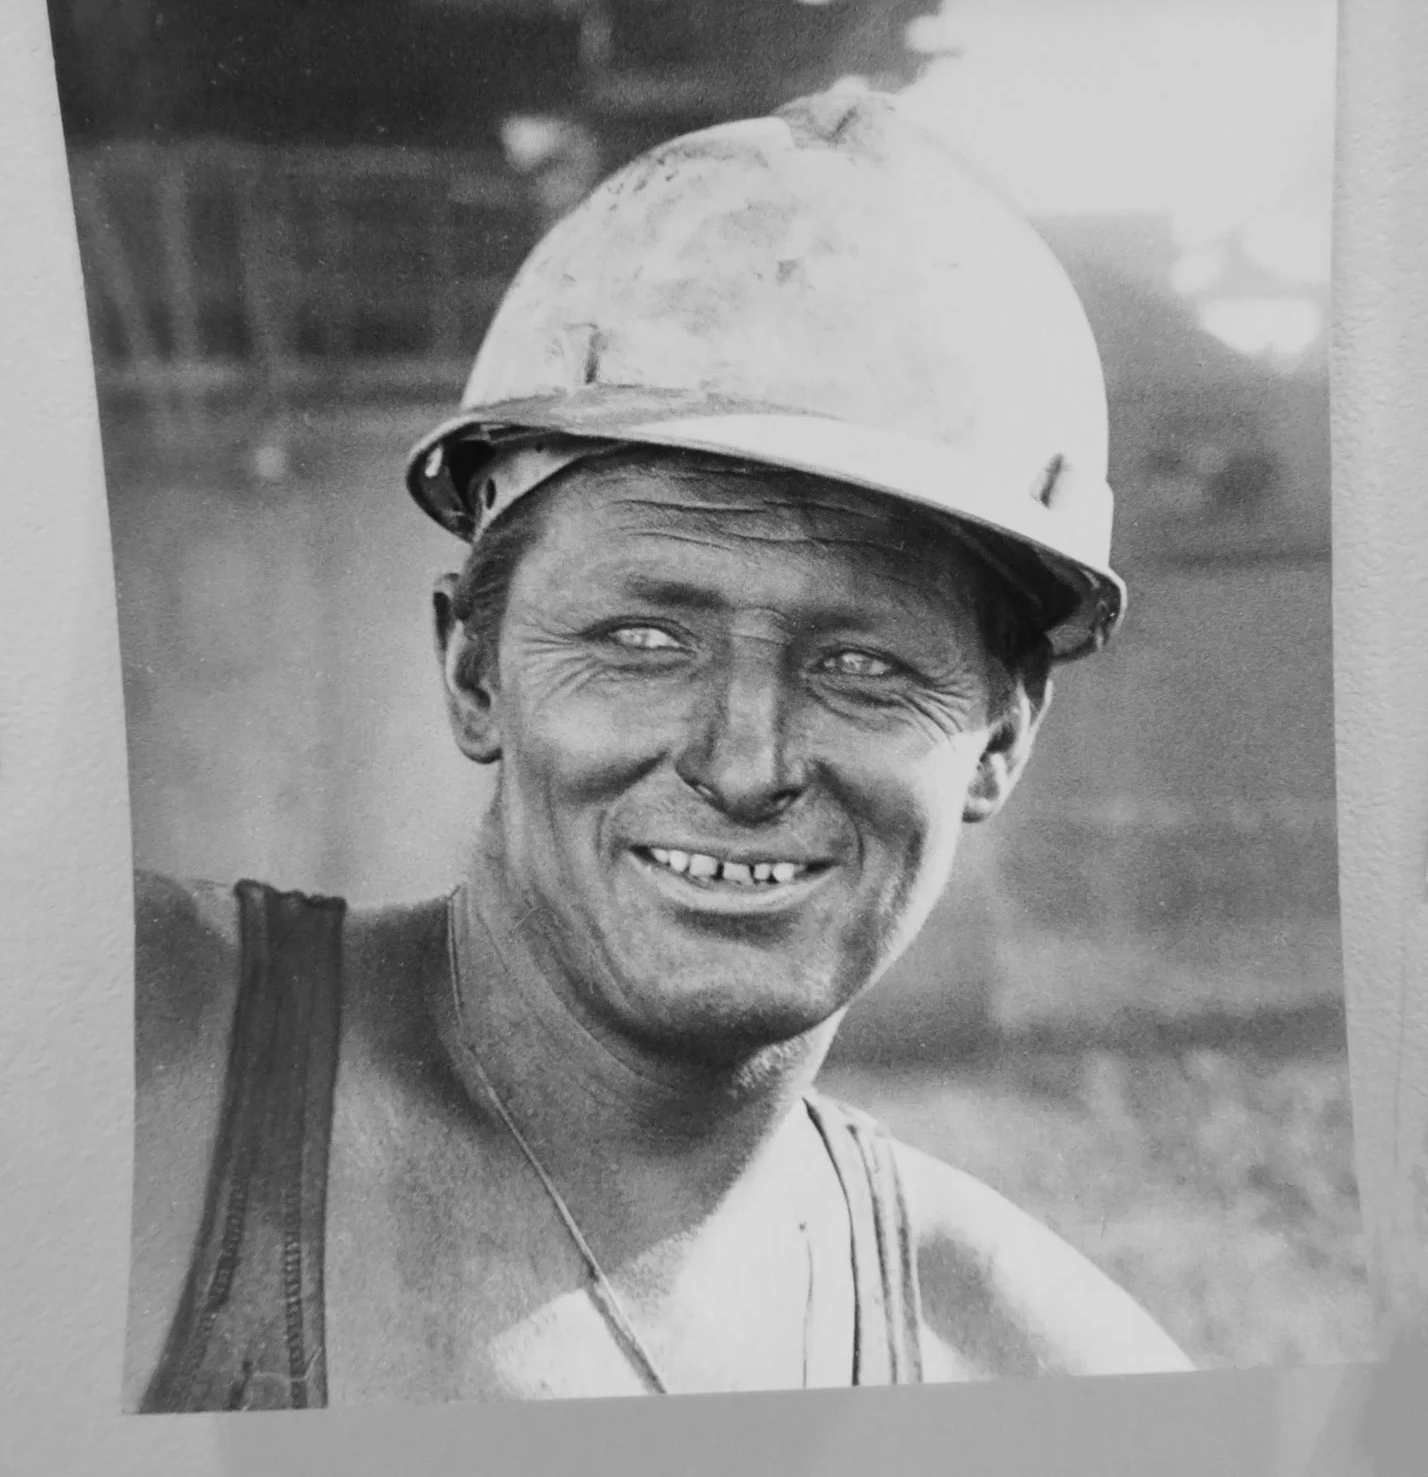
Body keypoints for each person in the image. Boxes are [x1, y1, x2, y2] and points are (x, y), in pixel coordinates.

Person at [124, 89, 1193, 1411]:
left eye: (860, 665)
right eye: (643, 640)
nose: (745, 764)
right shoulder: (141, 1063)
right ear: (475, 668)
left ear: (997, 744)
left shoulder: (1031, 1371)